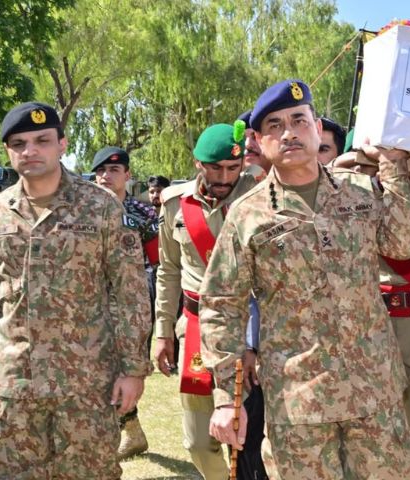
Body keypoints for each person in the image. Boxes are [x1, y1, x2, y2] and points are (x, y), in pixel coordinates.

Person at [200, 79, 410, 479]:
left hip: (374, 391)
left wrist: (393, 167)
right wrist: (225, 398)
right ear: (258, 141)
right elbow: (220, 304)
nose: (288, 133)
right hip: (298, 402)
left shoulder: (360, 192)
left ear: (317, 128)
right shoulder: (248, 214)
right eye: (274, 126)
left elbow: (403, 245)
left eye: (299, 120)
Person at [0, 102, 152, 477]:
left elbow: (130, 293)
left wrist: (134, 369)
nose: (30, 150)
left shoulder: (100, 207)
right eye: (19, 143)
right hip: (15, 386)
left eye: (42, 140)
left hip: (87, 384)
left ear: (62, 144)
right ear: (9, 153)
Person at [154, 122, 258, 479]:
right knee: (199, 441)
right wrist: (163, 332)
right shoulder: (174, 205)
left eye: (233, 167)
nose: (225, 176)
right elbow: (167, 271)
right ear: (198, 162)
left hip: (249, 331)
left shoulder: (259, 194)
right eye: (216, 168)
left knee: (252, 435)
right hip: (196, 328)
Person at [334, 151, 410, 479]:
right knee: (362, 426)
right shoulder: (343, 196)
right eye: (366, 164)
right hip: (369, 321)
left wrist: (393, 192)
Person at [91, 146, 159, 460]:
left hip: (130, 306)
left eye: (114, 170)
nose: (106, 176)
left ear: (128, 175)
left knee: (121, 372)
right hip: (92, 306)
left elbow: (159, 261)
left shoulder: (143, 214)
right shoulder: (83, 212)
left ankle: (126, 434)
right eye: (101, 171)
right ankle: (130, 433)